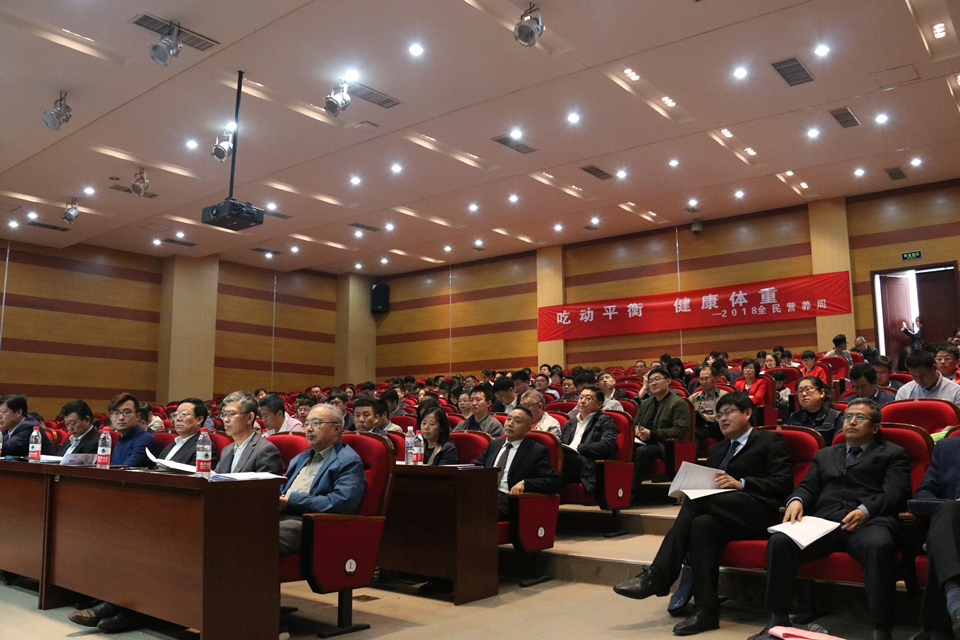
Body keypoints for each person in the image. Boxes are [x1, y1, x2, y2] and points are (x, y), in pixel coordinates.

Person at [614, 392, 793, 636]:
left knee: (698, 505)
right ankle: (706, 610)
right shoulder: (718, 449)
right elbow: (710, 485)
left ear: (747, 413)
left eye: (728, 412)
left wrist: (741, 483)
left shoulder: (770, 441)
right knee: (701, 525)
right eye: (719, 415)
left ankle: (659, 575)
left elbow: (783, 484)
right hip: (723, 512)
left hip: (760, 512)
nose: (722, 419)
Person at [750, 398, 910, 640]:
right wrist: (797, 500)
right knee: (780, 542)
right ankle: (778, 620)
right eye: (848, 417)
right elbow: (807, 486)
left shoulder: (893, 453)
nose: (851, 422)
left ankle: (881, 629)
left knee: (878, 546)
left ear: (876, 427)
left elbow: (895, 493)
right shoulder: (824, 455)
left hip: (869, 521)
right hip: (825, 523)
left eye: (860, 418)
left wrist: (866, 510)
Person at [279, 403, 366, 555]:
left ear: (337, 429)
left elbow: (342, 503)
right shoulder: (301, 457)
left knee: (258, 537)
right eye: (307, 423)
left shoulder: (348, 460)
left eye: (316, 423)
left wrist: (291, 501)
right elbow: (283, 488)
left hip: (308, 522)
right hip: (282, 516)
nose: (309, 429)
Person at [474, 406, 561, 520]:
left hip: (509, 500)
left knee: (475, 511)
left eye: (517, 421)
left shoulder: (536, 451)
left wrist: (525, 483)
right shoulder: (494, 445)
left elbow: (553, 482)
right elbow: (476, 467)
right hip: (485, 495)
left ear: (527, 429)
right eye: (509, 419)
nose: (510, 424)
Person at [912, 436, 960, 640]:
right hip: (951, 526)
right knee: (948, 512)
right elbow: (924, 491)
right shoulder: (947, 447)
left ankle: (944, 625)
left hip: (945, 534)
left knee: (937, 541)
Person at [632, 370, 691, 500]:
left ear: (668, 381)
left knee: (642, 452)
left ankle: (630, 492)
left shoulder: (678, 403)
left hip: (664, 445)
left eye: (657, 379)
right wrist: (636, 429)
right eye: (650, 381)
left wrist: (651, 434)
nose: (653, 383)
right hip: (643, 441)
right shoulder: (645, 403)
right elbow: (636, 423)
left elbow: (680, 431)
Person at [560, 386, 618, 494]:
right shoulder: (569, 423)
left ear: (599, 404)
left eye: (588, 398)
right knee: (551, 478)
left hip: (587, 465)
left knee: (562, 458)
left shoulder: (605, 421)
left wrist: (580, 448)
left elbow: (607, 445)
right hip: (568, 465)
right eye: (581, 397)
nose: (582, 401)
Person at [215, 390, 284, 474]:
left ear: (249, 417)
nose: (225, 419)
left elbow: (266, 483)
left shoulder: (266, 450)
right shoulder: (227, 450)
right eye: (224, 415)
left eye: (232, 414)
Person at [159, 398, 220, 468]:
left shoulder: (203, 447)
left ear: (199, 420)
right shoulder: (171, 445)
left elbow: (197, 473)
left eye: (184, 414)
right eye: (176, 415)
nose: (178, 418)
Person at [787, 376, 844, 445]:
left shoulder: (835, 417)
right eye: (800, 391)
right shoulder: (794, 417)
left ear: (821, 393)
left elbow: (839, 447)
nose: (804, 394)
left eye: (807, 389)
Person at [107, 393, 157, 467]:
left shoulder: (145, 439)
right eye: (116, 413)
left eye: (127, 412)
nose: (121, 417)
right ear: (111, 418)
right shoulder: (121, 438)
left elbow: (125, 469)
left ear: (137, 416)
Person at [689, 366, 728, 446]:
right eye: (701, 379)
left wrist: (709, 418)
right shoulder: (693, 397)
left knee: (694, 433)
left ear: (715, 379)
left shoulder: (724, 396)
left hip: (716, 427)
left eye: (707, 379)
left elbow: (727, 415)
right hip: (698, 426)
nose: (704, 382)